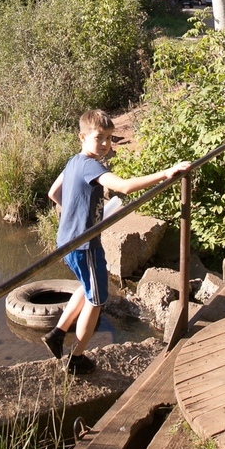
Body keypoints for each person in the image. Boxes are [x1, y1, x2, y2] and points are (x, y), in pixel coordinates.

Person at [43, 110, 190, 375]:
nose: (105, 144)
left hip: (67, 241)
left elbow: (54, 193)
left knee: (89, 288)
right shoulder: (91, 165)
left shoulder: (73, 161)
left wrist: (75, 212)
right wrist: (166, 173)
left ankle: (57, 333)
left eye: (109, 138)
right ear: (83, 137)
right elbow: (123, 187)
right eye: (99, 137)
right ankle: (76, 358)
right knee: (97, 301)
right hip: (86, 246)